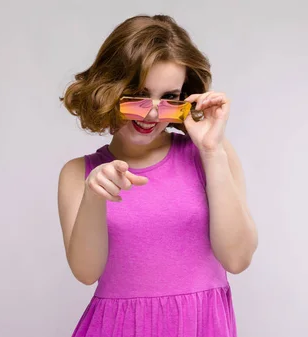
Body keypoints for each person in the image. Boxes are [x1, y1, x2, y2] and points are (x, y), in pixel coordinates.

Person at [57, 14, 258, 337]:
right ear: (110, 88)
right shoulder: (77, 174)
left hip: (201, 326)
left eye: (169, 98)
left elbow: (237, 259)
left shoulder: (211, 154)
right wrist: (94, 196)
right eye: (138, 93)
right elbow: (85, 272)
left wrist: (211, 152)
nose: (152, 112)